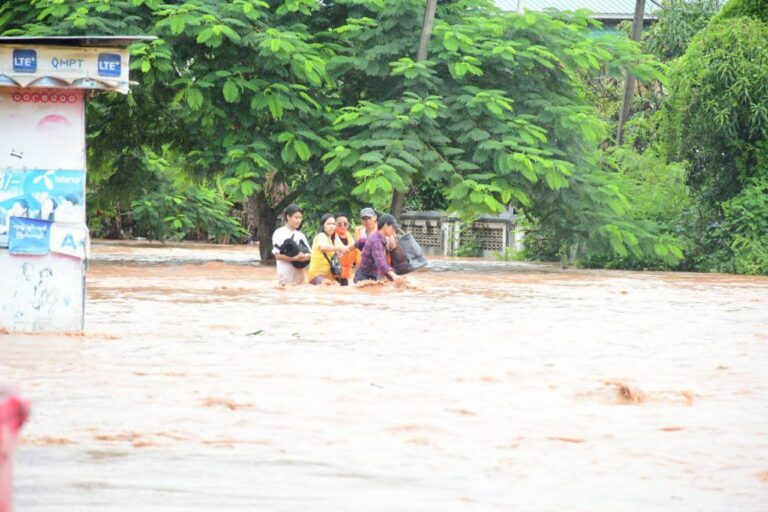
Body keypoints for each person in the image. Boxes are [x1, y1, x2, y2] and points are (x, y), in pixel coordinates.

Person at [354, 214, 404, 284]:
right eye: (393, 228)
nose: (393, 231)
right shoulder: (376, 241)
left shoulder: (375, 236)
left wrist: (347, 248)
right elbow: (380, 262)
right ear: (386, 226)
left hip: (370, 275)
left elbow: (359, 242)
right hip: (364, 277)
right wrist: (394, 276)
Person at [271, 204, 311, 286]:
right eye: (296, 217)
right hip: (285, 278)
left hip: (300, 278)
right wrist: (294, 258)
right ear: (288, 217)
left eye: (300, 218)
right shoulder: (279, 233)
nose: (299, 220)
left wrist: (306, 256)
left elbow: (311, 254)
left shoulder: (301, 235)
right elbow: (277, 256)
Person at [307, 214, 351, 285]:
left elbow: (344, 251)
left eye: (333, 224)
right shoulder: (321, 235)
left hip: (329, 276)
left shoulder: (331, 240)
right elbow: (323, 247)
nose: (331, 226)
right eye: (328, 224)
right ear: (323, 225)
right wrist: (339, 247)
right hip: (318, 275)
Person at [334, 213, 357, 286]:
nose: (342, 226)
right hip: (334, 273)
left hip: (346, 273)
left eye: (345, 224)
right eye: (339, 224)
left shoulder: (349, 236)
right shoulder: (331, 236)